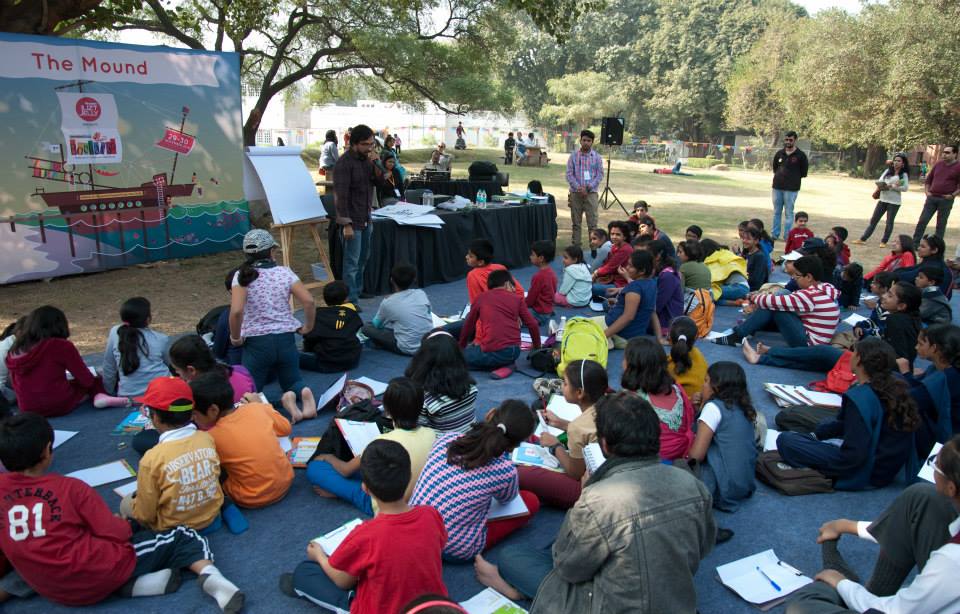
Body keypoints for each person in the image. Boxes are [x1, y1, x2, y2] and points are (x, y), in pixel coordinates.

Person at [474, 392, 716, 613]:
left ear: (605, 445)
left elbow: (570, 569)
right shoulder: (693, 484)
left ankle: (512, 587)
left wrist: (585, 496)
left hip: (606, 604)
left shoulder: (597, 499)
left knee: (512, 557)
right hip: (676, 603)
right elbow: (703, 547)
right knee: (564, 546)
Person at [0, 413, 244, 611]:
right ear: (46, 452)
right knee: (184, 535)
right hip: (93, 575)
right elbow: (116, 532)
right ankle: (210, 575)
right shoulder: (70, 488)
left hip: (47, 586)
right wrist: (124, 523)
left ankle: (138, 585)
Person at [785, 437, 960, 614]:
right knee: (922, 496)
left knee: (801, 606)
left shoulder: (951, 560)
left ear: (952, 488)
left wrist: (841, 583)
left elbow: (895, 611)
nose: (932, 468)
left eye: (935, 464)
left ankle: (846, 586)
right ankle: (870, 594)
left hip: (896, 610)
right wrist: (845, 525)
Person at [283, 440, 447, 613]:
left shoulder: (365, 535)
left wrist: (319, 556)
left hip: (382, 608)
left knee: (305, 572)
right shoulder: (431, 514)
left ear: (365, 488)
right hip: (432, 605)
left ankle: (346, 602)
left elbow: (342, 580)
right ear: (409, 476)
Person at [777, 338, 920, 490]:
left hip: (868, 470)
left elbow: (852, 456)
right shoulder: (898, 382)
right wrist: (818, 435)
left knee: (786, 441)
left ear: (859, 359)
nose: (850, 355)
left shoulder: (861, 397)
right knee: (819, 427)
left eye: (854, 352)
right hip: (888, 467)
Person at [409, 399, 541, 562]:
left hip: (414, 529)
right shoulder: (505, 471)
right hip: (452, 548)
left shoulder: (448, 439)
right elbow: (507, 500)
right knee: (531, 501)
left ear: (490, 414)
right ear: (516, 445)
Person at [307, 377, 436, 514]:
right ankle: (342, 488)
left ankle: (342, 492)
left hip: (385, 503)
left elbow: (345, 470)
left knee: (315, 468)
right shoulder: (432, 434)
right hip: (416, 495)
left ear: (387, 409)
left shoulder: (382, 441)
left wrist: (327, 457)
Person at [745, 280, 922, 373]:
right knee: (821, 362)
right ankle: (763, 358)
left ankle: (769, 352)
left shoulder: (897, 321)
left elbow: (900, 357)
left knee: (823, 352)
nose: (884, 296)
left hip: (872, 365)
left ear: (902, 306)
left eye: (890, 296)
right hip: (869, 359)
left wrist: (865, 346)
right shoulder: (902, 318)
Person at [128, 333, 258, 458]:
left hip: (217, 442)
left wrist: (156, 413)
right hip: (250, 429)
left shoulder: (195, 392)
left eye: (178, 371)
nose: (178, 376)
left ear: (191, 370)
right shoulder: (240, 371)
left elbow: (181, 423)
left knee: (142, 440)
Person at [120, 377, 224, 531]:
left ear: (154, 417)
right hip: (210, 515)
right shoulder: (206, 439)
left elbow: (145, 515)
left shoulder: (152, 459)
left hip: (173, 527)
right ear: (191, 414)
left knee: (126, 503)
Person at [229, 228, 315, 406]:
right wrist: (308, 327)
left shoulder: (242, 276)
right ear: (271, 251)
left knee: (251, 388)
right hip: (285, 338)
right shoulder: (285, 272)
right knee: (293, 380)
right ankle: (300, 392)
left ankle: (262, 407)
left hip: (256, 343)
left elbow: (236, 311)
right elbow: (309, 301)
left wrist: (235, 337)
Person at [189, 372, 294, 508]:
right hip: (286, 480)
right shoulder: (256, 408)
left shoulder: (211, 437)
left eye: (194, 414)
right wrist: (262, 405)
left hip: (250, 497)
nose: (192, 419)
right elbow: (286, 428)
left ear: (213, 410)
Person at [519, 359, 608, 508]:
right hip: (619, 475)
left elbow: (575, 472)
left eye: (565, 383)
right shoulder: (610, 404)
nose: (561, 386)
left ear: (579, 393)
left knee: (523, 474)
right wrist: (561, 423)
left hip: (594, 490)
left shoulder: (578, 427)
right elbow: (591, 432)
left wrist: (555, 446)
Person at [712, 256, 840, 348]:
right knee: (776, 303)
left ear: (809, 277)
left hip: (809, 343)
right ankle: (747, 329)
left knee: (773, 306)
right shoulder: (825, 289)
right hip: (817, 338)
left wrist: (752, 296)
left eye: (796, 276)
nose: (794, 279)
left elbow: (774, 302)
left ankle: (738, 335)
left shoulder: (810, 296)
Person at [4, 305, 104, 417]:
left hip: (28, 408)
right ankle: (100, 396)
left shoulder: (15, 349)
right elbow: (85, 378)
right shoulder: (60, 346)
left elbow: (16, 383)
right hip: (58, 404)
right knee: (95, 381)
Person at [687, 361, 758, 512]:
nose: (703, 385)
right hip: (745, 483)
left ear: (717, 387)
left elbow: (696, 456)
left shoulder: (713, 408)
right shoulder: (743, 406)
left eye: (706, 381)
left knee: (672, 468)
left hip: (722, 486)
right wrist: (699, 408)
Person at [333, 124, 384, 303]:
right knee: (351, 263)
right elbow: (340, 196)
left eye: (371, 144)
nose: (369, 148)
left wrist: (378, 165)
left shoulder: (367, 161)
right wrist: (346, 224)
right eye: (365, 144)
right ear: (354, 143)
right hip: (352, 221)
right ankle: (350, 298)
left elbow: (379, 183)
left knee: (363, 259)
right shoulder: (344, 163)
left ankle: (358, 290)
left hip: (366, 218)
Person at [621, 337, 695, 460]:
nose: (622, 362)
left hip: (653, 462)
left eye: (624, 359)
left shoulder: (632, 400)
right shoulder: (676, 388)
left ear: (633, 366)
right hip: (683, 453)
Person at [459, 270, 540, 375]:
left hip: (492, 351)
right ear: (507, 284)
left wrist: (461, 347)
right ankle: (506, 364)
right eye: (513, 287)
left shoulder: (481, 298)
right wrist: (537, 347)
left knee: (455, 360)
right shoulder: (517, 299)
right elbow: (532, 324)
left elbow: (468, 326)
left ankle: (502, 365)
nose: (514, 290)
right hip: (514, 352)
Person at [899, 323, 960, 460]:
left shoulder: (946, 378)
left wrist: (905, 373)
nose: (916, 347)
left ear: (935, 348)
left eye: (921, 344)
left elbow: (910, 400)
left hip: (949, 439)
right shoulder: (941, 369)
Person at [100, 296, 170, 405]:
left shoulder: (115, 332)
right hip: (160, 393)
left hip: (128, 393)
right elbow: (171, 363)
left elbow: (109, 366)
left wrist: (109, 391)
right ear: (148, 319)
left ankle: (124, 400)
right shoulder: (161, 339)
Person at [405, 331, 478, 433]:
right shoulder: (471, 387)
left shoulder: (426, 400)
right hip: (468, 439)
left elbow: (416, 430)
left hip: (441, 446)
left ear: (424, 359)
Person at [362, 263, 433, 356]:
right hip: (427, 344)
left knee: (366, 327)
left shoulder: (388, 302)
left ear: (391, 280)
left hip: (406, 348)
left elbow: (376, 325)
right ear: (414, 279)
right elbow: (428, 312)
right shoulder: (420, 293)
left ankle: (378, 343)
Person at [594, 249, 659, 346]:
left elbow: (628, 317)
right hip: (633, 335)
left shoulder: (635, 288)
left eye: (631, 266)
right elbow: (650, 311)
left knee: (578, 326)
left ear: (642, 271)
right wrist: (659, 337)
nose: (627, 268)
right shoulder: (652, 283)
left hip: (621, 335)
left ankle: (606, 340)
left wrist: (603, 336)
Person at [300, 280, 363, 373]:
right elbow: (358, 331)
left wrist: (307, 349)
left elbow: (309, 337)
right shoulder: (353, 313)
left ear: (325, 299)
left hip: (326, 363)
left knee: (291, 357)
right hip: (352, 361)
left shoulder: (318, 314)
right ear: (346, 299)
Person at [854, 153, 910, 246]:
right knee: (874, 220)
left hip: (894, 202)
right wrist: (884, 185)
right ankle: (863, 238)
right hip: (883, 199)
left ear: (903, 163)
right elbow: (880, 180)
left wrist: (892, 187)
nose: (896, 162)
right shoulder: (888, 171)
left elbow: (905, 188)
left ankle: (884, 241)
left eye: (899, 161)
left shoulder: (903, 175)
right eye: (895, 160)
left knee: (889, 222)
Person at [913, 144, 960, 242]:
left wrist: (952, 195)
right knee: (922, 221)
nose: (944, 154)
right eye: (943, 152)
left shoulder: (958, 167)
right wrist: (927, 192)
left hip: (945, 200)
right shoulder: (938, 164)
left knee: (941, 224)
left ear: (955, 154)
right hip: (932, 198)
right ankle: (915, 243)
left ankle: (937, 248)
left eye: (947, 153)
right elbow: (928, 180)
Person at [565, 129, 604, 247]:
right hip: (576, 194)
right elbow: (569, 174)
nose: (586, 142)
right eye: (584, 140)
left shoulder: (597, 157)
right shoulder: (573, 156)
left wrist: (588, 187)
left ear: (592, 142)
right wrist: (579, 188)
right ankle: (576, 247)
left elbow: (600, 174)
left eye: (589, 141)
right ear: (580, 140)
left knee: (592, 224)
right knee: (576, 223)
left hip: (591, 194)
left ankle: (594, 248)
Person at [639, 238, 683, 338]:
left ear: (658, 256)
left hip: (666, 322)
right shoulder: (658, 271)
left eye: (647, 254)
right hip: (658, 315)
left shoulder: (668, 276)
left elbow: (657, 304)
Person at [771, 130, 809, 240]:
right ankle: (774, 234)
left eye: (790, 140)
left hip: (791, 189)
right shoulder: (779, 153)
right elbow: (775, 168)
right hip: (777, 187)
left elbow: (804, 173)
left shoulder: (801, 155)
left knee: (789, 213)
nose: (788, 142)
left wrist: (792, 178)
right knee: (776, 212)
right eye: (786, 139)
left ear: (795, 140)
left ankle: (787, 236)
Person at [897, 234, 954, 298]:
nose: (918, 248)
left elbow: (903, 277)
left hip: (932, 304)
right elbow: (907, 270)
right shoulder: (931, 262)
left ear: (934, 250)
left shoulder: (933, 267)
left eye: (922, 247)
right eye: (919, 245)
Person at [667, 316, 708, 400]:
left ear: (669, 338)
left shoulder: (667, 367)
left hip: (683, 408)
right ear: (696, 338)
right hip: (700, 405)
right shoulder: (698, 354)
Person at [590, 221, 633, 298]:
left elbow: (610, 267)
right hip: (612, 278)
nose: (614, 237)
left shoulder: (625, 249)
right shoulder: (615, 246)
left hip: (621, 283)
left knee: (593, 288)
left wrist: (595, 273)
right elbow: (606, 264)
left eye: (618, 234)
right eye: (612, 234)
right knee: (589, 283)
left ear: (625, 237)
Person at [701, 238, 750, 303]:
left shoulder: (714, 259)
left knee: (705, 294)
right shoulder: (725, 254)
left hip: (737, 288)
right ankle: (737, 301)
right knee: (712, 295)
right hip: (743, 288)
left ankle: (733, 303)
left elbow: (712, 279)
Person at [526, 240, 558, 327]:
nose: (530, 257)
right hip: (548, 309)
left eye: (532, 254)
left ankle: (537, 320)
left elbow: (531, 299)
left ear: (541, 258)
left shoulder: (538, 276)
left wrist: (522, 305)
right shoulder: (552, 273)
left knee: (514, 316)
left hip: (539, 312)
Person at [741, 227, 770, 293]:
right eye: (743, 238)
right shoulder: (747, 252)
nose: (744, 241)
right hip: (743, 284)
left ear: (756, 241)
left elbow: (757, 281)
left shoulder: (759, 256)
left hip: (752, 290)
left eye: (748, 239)